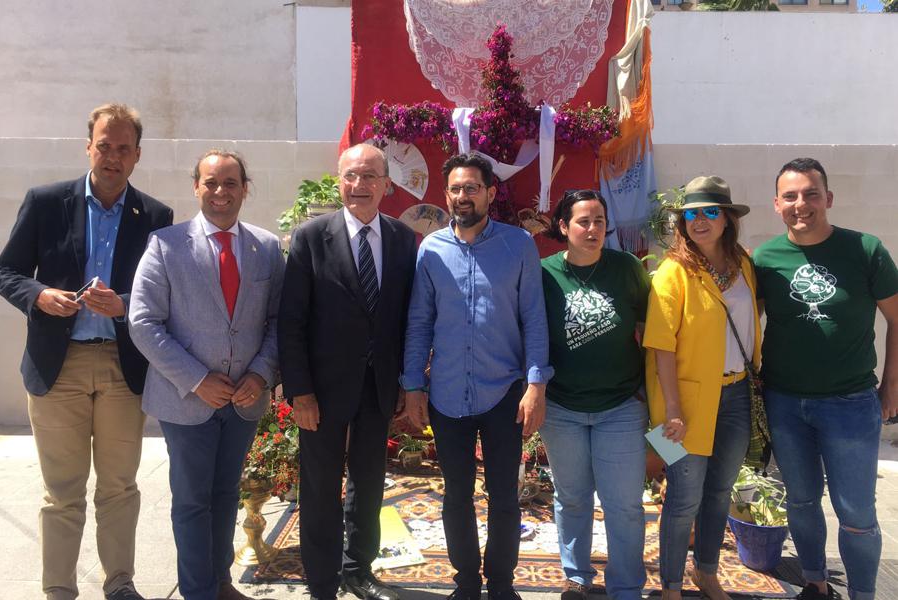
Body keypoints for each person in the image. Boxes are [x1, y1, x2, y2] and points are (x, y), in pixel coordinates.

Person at [0, 104, 172, 600]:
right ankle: (59, 589)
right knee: (63, 492)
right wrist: (37, 295)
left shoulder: (156, 216)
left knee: (119, 486)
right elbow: (5, 271)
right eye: (104, 145)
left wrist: (124, 305)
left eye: (123, 149)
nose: (112, 156)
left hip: (122, 368)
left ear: (137, 156)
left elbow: (161, 295)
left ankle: (119, 583)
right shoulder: (46, 201)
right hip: (59, 367)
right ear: (88, 146)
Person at [128, 150, 284, 600]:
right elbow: (142, 321)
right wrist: (197, 379)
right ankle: (198, 592)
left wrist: (260, 373)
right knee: (193, 501)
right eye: (211, 183)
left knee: (224, 495)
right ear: (196, 187)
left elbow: (278, 321)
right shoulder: (165, 244)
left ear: (245, 188)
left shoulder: (266, 247)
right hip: (186, 400)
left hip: (243, 400)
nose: (220, 192)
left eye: (230, 183)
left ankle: (220, 582)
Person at [401, 153, 553, 600]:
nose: (462, 196)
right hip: (448, 394)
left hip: (504, 392)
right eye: (455, 189)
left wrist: (536, 387)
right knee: (456, 494)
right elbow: (419, 322)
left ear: (489, 193)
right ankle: (466, 582)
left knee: (505, 494)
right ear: (445, 195)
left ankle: (502, 584)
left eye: (471, 188)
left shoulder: (518, 245)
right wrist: (413, 384)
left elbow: (534, 320)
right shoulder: (431, 250)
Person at [753, 158, 898, 600]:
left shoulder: (865, 250)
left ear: (828, 199)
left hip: (851, 403)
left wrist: (891, 386)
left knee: (856, 512)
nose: (802, 204)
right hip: (784, 402)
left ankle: (863, 594)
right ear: (776, 204)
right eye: (791, 196)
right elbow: (742, 325)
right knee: (800, 501)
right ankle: (815, 582)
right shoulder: (764, 259)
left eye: (811, 194)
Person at [278, 144, 417, 600]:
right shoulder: (311, 237)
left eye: (370, 176)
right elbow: (292, 321)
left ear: (386, 184)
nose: (360, 186)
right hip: (321, 391)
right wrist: (299, 391)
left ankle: (358, 569)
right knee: (319, 487)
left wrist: (402, 381)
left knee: (369, 482)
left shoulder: (401, 239)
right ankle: (321, 582)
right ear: (339, 180)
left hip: (377, 388)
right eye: (351, 176)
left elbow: (401, 316)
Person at [643, 176, 761, 600]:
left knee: (719, 491)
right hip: (683, 403)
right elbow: (659, 344)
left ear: (728, 219)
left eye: (711, 211)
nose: (700, 220)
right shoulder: (672, 272)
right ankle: (671, 584)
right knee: (682, 497)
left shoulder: (743, 265)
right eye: (691, 213)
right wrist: (672, 409)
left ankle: (706, 572)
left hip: (736, 395)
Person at [538, 189, 650, 600]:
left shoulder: (626, 269)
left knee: (624, 504)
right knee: (572, 498)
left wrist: (654, 395)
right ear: (564, 227)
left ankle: (625, 586)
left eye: (599, 221)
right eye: (583, 221)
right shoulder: (544, 273)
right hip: (562, 408)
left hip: (620, 407)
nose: (593, 229)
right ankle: (577, 578)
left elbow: (650, 327)